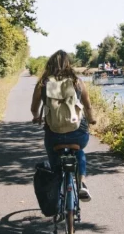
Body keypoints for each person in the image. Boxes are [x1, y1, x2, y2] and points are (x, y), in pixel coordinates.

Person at [31, 49, 96, 201]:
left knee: (54, 160)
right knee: (79, 150)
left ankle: (56, 187)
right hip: (77, 132)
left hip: (54, 134)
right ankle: (82, 183)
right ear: (69, 64)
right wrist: (91, 119)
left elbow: (34, 108)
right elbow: (87, 106)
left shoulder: (43, 83)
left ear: (50, 64)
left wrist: (36, 117)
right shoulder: (77, 82)